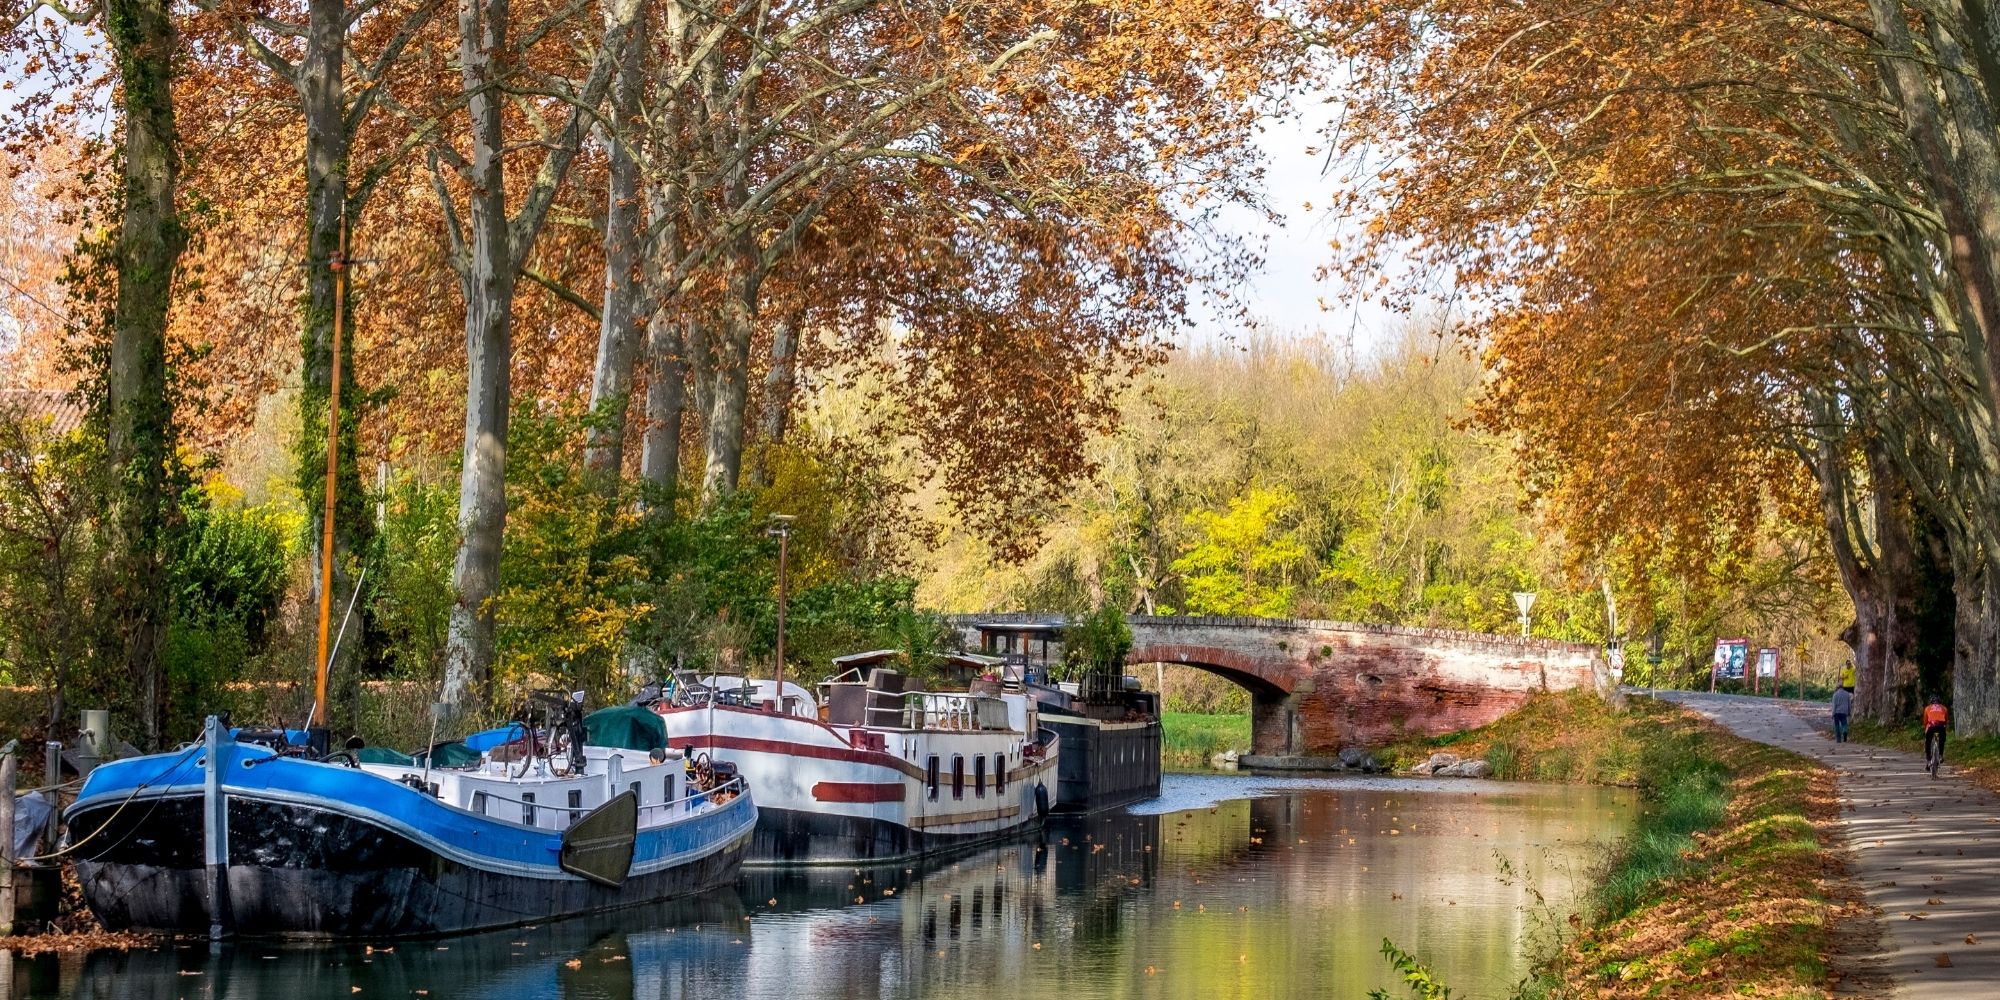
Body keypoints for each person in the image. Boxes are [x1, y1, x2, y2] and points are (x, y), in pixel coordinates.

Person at [1923, 694, 1950, 774]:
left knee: (1927, 742)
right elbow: (1946, 720)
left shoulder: (1927, 708)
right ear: (1940, 702)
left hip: (1931, 725)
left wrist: (1925, 729)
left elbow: (1925, 721)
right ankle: (1941, 755)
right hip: (1941, 726)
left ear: (1931, 702)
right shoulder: (1944, 708)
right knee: (1942, 740)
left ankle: (1928, 761)